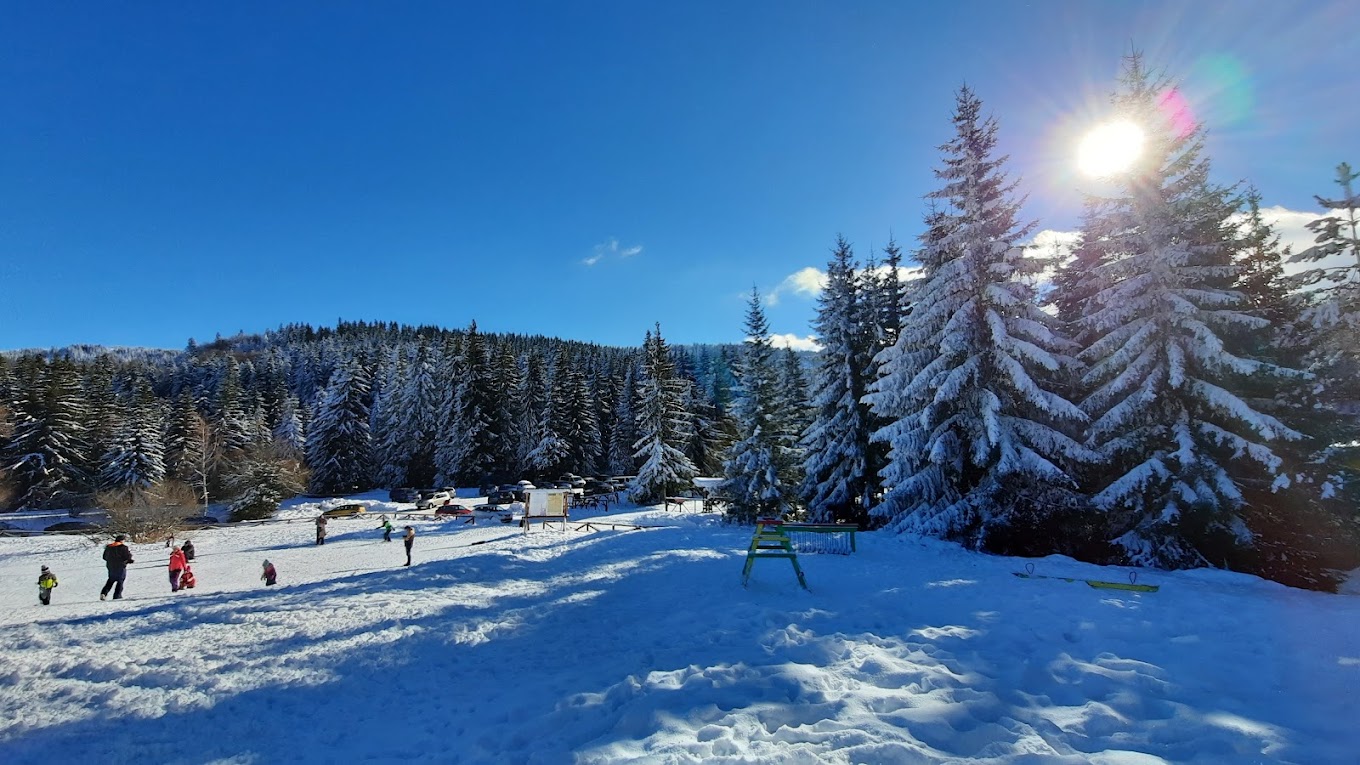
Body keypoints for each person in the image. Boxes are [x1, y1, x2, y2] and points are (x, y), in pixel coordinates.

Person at [100, 534, 135, 600]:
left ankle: (104, 593)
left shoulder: (109, 547)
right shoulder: (123, 547)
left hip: (110, 566)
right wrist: (129, 560)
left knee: (111, 580)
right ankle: (117, 596)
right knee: (120, 581)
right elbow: (127, 557)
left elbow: (104, 557)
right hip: (120, 566)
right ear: (122, 540)